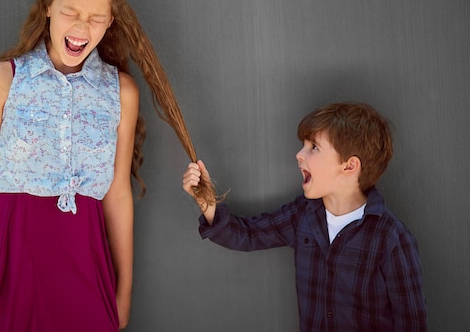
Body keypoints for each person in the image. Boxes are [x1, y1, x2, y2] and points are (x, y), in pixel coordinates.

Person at [0, 0, 205, 332]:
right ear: (48, 7)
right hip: (14, 262)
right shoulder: (2, 80)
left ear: (110, 22)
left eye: (96, 17)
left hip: (86, 264)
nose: (82, 27)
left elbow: (117, 196)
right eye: (70, 12)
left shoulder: (121, 92)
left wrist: (124, 290)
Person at [182, 102, 428, 331]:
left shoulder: (391, 238)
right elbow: (246, 235)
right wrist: (207, 202)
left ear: (349, 166)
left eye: (314, 147)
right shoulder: (303, 215)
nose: (299, 155)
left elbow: (411, 323)